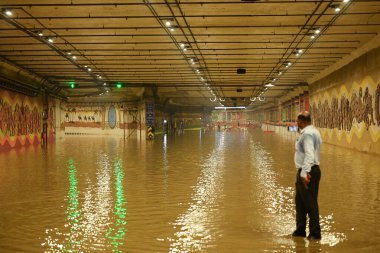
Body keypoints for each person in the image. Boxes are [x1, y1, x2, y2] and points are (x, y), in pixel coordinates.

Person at [292, 111, 322, 240]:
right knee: (300, 202)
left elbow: (310, 155)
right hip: (306, 170)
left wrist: (304, 173)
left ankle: (315, 234)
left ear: (301, 121)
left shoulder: (307, 134)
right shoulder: (314, 131)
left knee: (310, 203)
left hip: (307, 172)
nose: (296, 123)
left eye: (297, 121)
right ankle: (300, 230)